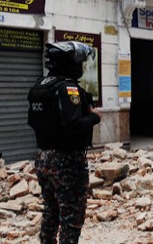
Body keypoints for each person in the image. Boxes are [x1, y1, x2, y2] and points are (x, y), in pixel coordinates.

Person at [27, 41, 101, 244]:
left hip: (43, 158)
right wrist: (94, 117)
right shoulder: (68, 88)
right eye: (80, 63)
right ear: (72, 63)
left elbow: (31, 121)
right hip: (67, 160)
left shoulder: (41, 85)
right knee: (71, 217)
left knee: (51, 209)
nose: (82, 67)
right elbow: (73, 125)